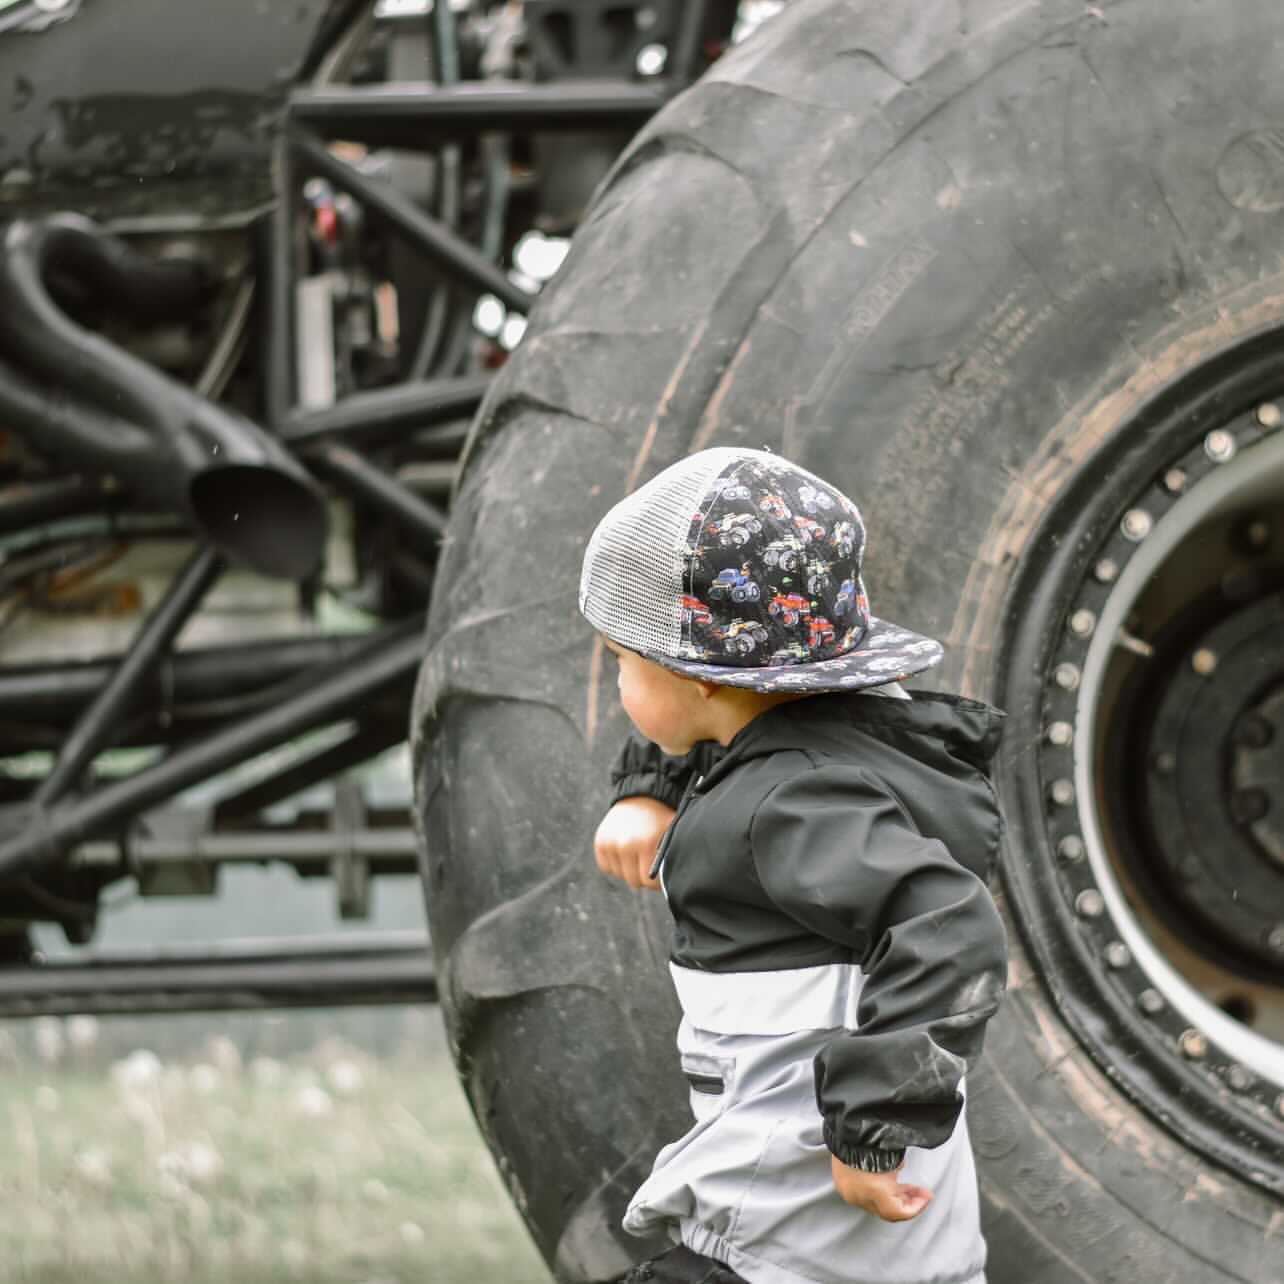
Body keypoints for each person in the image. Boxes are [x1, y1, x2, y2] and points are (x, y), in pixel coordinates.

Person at [578, 446, 1008, 1284]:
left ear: (699, 679)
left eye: (621, 660)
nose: (618, 680)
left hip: (786, 1241)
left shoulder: (793, 806)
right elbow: (730, 732)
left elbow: (949, 928)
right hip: (864, 1243)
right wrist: (651, 786)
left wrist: (872, 1125)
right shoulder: (838, 750)